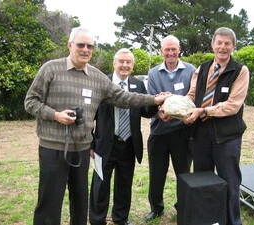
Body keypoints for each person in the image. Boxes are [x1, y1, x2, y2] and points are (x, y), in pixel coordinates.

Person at [24, 27, 170, 225]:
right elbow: (30, 101)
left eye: (90, 46)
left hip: (81, 148)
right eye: (81, 45)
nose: (86, 49)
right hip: (53, 147)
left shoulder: (96, 76)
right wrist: (55, 115)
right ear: (70, 45)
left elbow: (124, 97)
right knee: (50, 202)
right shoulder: (51, 68)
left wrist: (155, 99)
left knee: (80, 202)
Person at [182, 27, 250, 225]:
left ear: (233, 46)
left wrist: (203, 111)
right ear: (212, 45)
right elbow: (192, 95)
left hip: (227, 136)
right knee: (202, 180)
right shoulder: (201, 68)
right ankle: (206, 219)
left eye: (227, 44)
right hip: (200, 133)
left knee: (229, 181)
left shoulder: (240, 71)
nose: (222, 47)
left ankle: (231, 221)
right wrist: (180, 108)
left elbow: (233, 105)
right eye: (219, 43)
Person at [89, 48, 154, 225]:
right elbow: (90, 114)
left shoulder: (138, 85)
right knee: (100, 185)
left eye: (128, 62)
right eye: (121, 61)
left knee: (124, 184)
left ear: (133, 65)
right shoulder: (102, 83)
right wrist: (91, 142)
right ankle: (96, 220)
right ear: (114, 63)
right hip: (104, 144)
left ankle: (120, 218)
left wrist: (159, 103)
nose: (125, 65)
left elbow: (145, 111)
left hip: (128, 144)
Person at [145, 35, 196, 222]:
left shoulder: (191, 70)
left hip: (182, 132)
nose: (170, 53)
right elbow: (151, 100)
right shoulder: (153, 74)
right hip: (159, 131)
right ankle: (156, 207)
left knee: (183, 172)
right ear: (161, 51)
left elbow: (193, 97)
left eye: (173, 49)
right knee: (156, 173)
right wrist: (160, 113)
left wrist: (181, 114)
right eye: (167, 49)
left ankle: (182, 206)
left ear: (179, 49)